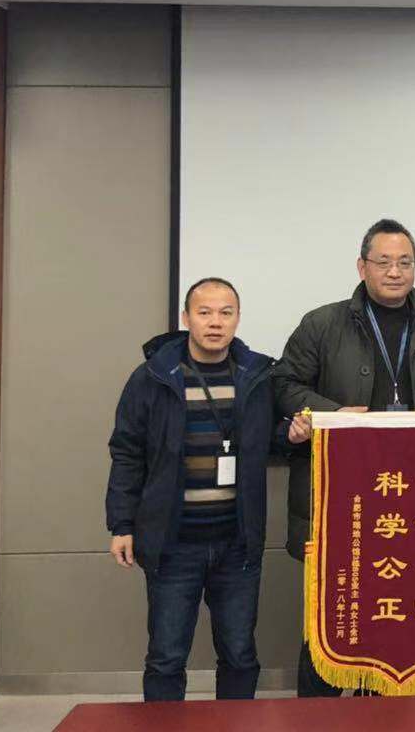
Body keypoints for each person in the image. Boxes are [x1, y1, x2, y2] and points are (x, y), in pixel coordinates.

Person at [272, 218, 415, 697]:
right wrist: (332, 412)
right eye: (383, 262)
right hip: (344, 498)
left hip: (410, 500)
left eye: (405, 262)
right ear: (361, 266)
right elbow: (283, 384)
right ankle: (318, 719)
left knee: (393, 621)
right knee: (333, 618)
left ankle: (386, 715)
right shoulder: (322, 323)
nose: (395, 272)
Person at [106, 277, 310, 702]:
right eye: (204, 313)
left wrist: (291, 435)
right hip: (172, 544)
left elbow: (271, 440)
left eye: (225, 313)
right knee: (166, 657)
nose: (215, 322)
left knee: (239, 655)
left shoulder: (257, 376)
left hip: (237, 544)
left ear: (237, 319)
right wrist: (121, 524)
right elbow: (127, 452)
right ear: (186, 318)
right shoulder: (153, 377)